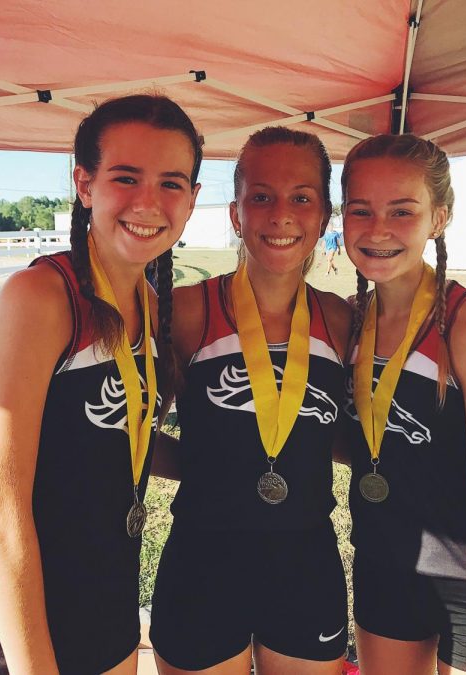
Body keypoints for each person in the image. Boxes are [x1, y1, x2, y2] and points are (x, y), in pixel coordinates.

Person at [0, 94, 202, 675]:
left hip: (108, 602)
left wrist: (227, 464)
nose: (149, 202)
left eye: (171, 183)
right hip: (15, 624)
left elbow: (119, 435)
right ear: (84, 184)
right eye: (126, 177)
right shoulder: (40, 297)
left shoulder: (151, 305)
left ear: (193, 199)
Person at [150, 127, 353, 675]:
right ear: (236, 213)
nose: (280, 215)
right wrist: (203, 467)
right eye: (260, 197)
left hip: (307, 560)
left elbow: (345, 435)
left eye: (301, 198)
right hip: (203, 558)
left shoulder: (343, 321)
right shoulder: (188, 311)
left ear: (324, 216)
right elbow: (128, 433)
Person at [340, 134, 466, 675]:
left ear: (439, 217)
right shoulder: (350, 322)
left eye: (402, 211)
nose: (378, 229)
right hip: (383, 564)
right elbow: (363, 441)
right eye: (361, 210)